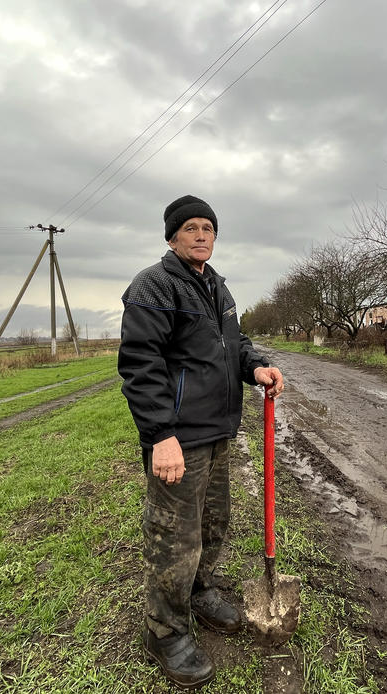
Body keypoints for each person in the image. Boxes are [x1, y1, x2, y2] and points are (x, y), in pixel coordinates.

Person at [118, 194, 285, 688]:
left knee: (214, 524)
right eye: (190, 227)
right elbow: (140, 367)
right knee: (175, 537)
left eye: (208, 228)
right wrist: (160, 436)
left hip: (217, 432)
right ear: (172, 236)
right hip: (178, 439)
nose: (201, 235)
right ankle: (163, 631)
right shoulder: (154, 286)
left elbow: (234, 346)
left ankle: (198, 592)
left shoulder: (217, 287)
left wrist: (256, 367)